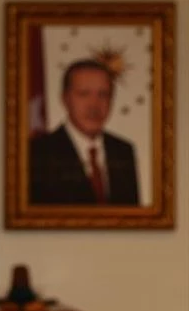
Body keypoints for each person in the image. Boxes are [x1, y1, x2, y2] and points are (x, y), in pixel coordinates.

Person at [29, 58, 139, 205]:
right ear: (65, 99)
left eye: (103, 94)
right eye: (84, 94)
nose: (94, 105)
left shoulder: (123, 151)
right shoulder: (38, 153)